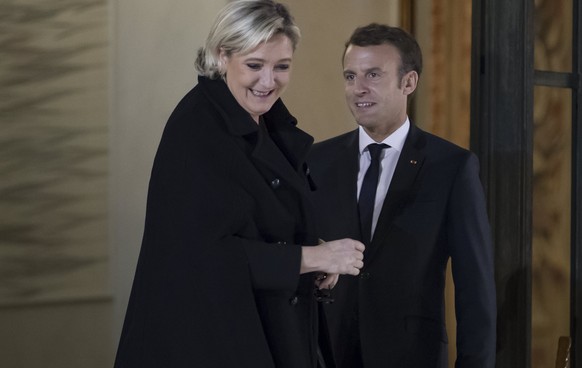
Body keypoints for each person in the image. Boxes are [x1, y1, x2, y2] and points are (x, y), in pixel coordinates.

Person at [114, 1, 365, 367]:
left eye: (282, 66)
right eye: (254, 65)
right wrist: (313, 257)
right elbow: (204, 256)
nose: (268, 81)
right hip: (207, 341)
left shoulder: (265, 120)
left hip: (262, 326)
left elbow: (261, 221)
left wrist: (313, 255)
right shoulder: (196, 130)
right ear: (221, 56)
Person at [308, 23, 496, 368]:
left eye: (373, 75)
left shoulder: (451, 167)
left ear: (408, 82)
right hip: (327, 352)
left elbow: (475, 289)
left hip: (410, 356)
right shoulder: (316, 161)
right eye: (350, 76)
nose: (357, 89)